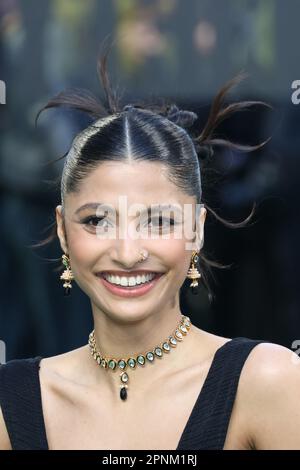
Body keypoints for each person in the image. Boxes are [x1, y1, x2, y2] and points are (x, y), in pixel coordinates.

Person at [1, 42, 300, 451]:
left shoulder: (268, 381)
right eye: (97, 221)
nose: (127, 253)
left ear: (196, 229)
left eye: (158, 221)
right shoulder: (11, 401)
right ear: (63, 231)